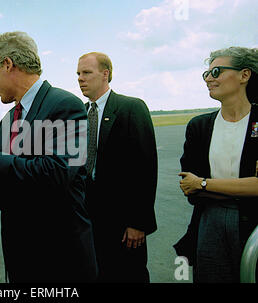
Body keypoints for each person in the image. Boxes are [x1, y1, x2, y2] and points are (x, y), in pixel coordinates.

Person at [0, 31, 98, 283]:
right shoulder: (8, 120)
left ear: (8, 64)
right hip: (22, 259)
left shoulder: (65, 105)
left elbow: (59, 171)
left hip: (60, 259)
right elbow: (0, 184)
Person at [175, 46, 258, 283]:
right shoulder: (199, 127)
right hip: (209, 222)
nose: (209, 79)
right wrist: (245, 187)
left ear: (244, 75)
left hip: (254, 223)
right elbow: (189, 189)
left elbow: (196, 184)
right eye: (207, 74)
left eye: (217, 71)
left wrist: (204, 183)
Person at [76, 52, 158, 282]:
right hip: (87, 219)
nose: (80, 78)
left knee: (128, 276)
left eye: (86, 73)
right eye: (78, 74)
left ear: (105, 74)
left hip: (122, 223)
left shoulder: (130, 108)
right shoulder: (78, 114)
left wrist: (138, 222)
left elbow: (146, 169)